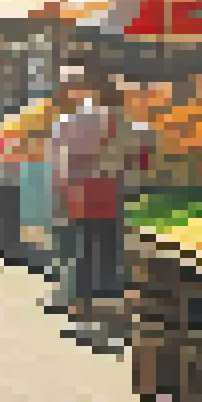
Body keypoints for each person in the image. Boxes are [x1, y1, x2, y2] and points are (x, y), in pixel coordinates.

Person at [51, 77, 121, 338]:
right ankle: (98, 306)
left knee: (83, 249)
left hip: (81, 193)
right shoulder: (115, 122)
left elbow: (62, 158)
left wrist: (62, 189)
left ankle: (78, 305)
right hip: (106, 194)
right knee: (104, 252)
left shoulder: (73, 121)